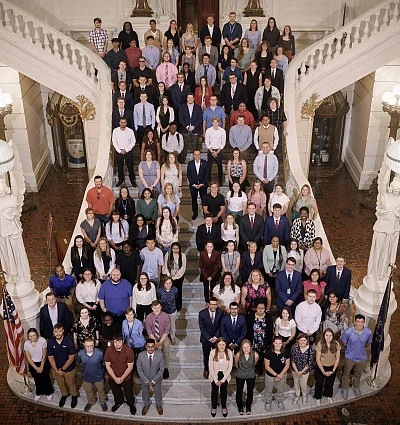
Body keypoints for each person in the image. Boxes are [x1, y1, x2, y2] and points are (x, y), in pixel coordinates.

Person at [341, 314, 373, 400]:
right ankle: (345, 388)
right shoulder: (347, 332)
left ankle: (356, 387)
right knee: (346, 373)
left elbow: (368, 343)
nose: (359, 324)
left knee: (358, 374)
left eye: (361, 322)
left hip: (362, 358)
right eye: (358, 321)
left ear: (364, 323)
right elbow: (344, 343)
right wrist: (351, 348)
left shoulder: (368, 332)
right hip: (349, 357)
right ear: (355, 322)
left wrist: (360, 348)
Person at [104, 333, 136, 415]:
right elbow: (107, 365)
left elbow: (130, 367)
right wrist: (115, 378)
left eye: (119, 342)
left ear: (123, 341)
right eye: (115, 342)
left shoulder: (128, 350)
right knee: (116, 392)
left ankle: (131, 405)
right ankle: (119, 402)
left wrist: (122, 378)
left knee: (128, 392)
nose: (117, 344)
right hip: (113, 377)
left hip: (126, 377)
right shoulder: (109, 350)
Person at [47, 323, 78, 408]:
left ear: (63, 331)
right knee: (61, 384)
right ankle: (64, 395)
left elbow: (71, 357)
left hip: (68, 369)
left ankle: (74, 396)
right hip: (56, 369)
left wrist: (63, 369)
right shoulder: (50, 342)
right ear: (53, 331)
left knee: (71, 383)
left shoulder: (69, 341)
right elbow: (50, 357)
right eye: (56, 331)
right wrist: (57, 370)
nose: (58, 333)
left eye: (60, 331)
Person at [77, 337, 107, 412]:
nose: (89, 348)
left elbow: (103, 362)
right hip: (86, 377)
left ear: (94, 345)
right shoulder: (80, 353)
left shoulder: (100, 353)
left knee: (101, 390)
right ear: (84, 345)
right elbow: (79, 363)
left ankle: (103, 402)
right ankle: (90, 402)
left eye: (91, 346)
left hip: (98, 376)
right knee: (88, 391)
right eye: (87, 346)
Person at [136, 338, 165, 416]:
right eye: (148, 347)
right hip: (144, 379)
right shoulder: (141, 355)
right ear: (146, 346)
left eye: (152, 347)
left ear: (155, 346)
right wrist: (146, 380)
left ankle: (159, 405)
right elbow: (139, 369)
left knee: (158, 393)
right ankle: (146, 405)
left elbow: (161, 369)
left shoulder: (160, 355)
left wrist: (153, 381)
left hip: (156, 379)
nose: (150, 349)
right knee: (145, 393)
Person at [24, 328, 53, 401]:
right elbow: (29, 358)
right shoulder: (26, 344)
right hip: (33, 363)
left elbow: (44, 355)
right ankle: (39, 392)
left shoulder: (42, 341)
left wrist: (41, 367)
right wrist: (36, 368)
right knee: (37, 379)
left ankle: (48, 392)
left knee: (45, 378)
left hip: (43, 362)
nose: (32, 338)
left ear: (37, 335)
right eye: (30, 336)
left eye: (34, 335)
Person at [145, 300, 171, 379]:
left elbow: (167, 331)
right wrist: (156, 343)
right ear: (152, 308)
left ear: (161, 307)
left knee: (166, 352)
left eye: (158, 308)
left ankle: (165, 368)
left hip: (163, 337)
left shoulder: (166, 316)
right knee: (155, 353)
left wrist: (160, 342)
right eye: (155, 308)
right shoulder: (148, 317)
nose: (157, 310)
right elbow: (149, 331)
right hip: (153, 338)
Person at [246, 300, 273, 374]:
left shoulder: (268, 317)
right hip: (254, 338)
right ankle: (254, 366)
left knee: (263, 354)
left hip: (264, 338)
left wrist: (269, 341)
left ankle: (261, 366)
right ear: (256, 308)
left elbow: (270, 330)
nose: (260, 310)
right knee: (254, 353)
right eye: (259, 308)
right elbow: (248, 329)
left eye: (262, 308)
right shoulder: (251, 316)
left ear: (265, 309)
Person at [264, 336, 290, 412]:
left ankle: (279, 401)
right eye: (276, 343)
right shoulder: (268, 352)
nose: (278, 345)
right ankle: (268, 402)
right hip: (270, 375)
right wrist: (276, 375)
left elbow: (287, 365)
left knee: (281, 389)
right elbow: (267, 366)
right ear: (273, 343)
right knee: (268, 390)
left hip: (282, 375)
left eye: (279, 343)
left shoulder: (286, 352)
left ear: (282, 344)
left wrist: (280, 375)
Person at [199, 297, 223, 379]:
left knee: (216, 355)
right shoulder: (202, 313)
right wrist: (209, 338)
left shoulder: (220, 312)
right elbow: (202, 328)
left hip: (217, 338)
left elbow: (221, 326)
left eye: (215, 304)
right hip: (206, 339)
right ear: (208, 304)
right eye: (212, 304)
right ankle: (206, 369)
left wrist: (216, 337)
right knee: (206, 356)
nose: (213, 306)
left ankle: (215, 370)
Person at [209, 337, 233, 418]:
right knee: (214, 392)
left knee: (224, 392)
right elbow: (211, 368)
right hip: (214, 375)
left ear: (226, 345)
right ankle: (213, 407)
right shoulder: (212, 352)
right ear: (217, 345)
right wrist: (216, 380)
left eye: (223, 345)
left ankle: (224, 407)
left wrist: (222, 380)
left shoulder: (229, 352)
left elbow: (230, 368)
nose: (222, 346)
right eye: (220, 345)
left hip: (225, 375)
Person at [235, 339, 259, 415]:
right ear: (241, 348)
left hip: (251, 375)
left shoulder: (255, 355)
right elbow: (236, 364)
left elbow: (254, 363)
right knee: (239, 391)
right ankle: (240, 406)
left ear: (250, 347)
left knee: (250, 391)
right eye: (244, 347)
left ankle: (248, 406)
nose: (246, 349)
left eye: (247, 347)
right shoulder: (238, 354)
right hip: (240, 374)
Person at [291, 333, 315, 406]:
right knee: (296, 383)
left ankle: (304, 395)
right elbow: (292, 360)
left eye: (304, 340)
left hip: (304, 370)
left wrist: (301, 372)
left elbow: (309, 363)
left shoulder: (310, 349)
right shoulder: (294, 347)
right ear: (298, 340)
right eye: (300, 340)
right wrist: (297, 371)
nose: (302, 342)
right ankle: (297, 395)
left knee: (303, 384)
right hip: (295, 369)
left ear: (307, 341)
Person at [162, 242, 186, 312]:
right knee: (170, 291)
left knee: (178, 291)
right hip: (169, 277)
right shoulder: (168, 254)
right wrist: (169, 275)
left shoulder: (183, 256)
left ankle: (178, 306)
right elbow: (165, 265)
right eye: (174, 248)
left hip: (179, 277)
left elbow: (183, 268)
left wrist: (175, 277)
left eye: (177, 248)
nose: (175, 250)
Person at [112, 117, 136, 187]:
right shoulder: (115, 131)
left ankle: (132, 180)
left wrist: (126, 150)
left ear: (126, 123)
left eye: (124, 122)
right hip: (119, 151)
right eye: (121, 122)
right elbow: (114, 142)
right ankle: (120, 179)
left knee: (130, 166)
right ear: (119, 123)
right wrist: (119, 150)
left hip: (128, 151)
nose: (123, 124)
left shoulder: (130, 131)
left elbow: (133, 142)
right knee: (120, 167)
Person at [179, 93, 203, 162]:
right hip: (185, 129)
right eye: (188, 98)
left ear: (193, 98)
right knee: (184, 146)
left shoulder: (198, 107)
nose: (190, 99)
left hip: (195, 129)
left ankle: (196, 159)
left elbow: (200, 118)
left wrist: (194, 126)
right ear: (186, 98)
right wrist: (187, 126)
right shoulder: (182, 107)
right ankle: (183, 158)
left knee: (195, 146)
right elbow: (181, 119)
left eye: (191, 98)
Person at [187, 149, 208, 220]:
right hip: (193, 186)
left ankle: (205, 213)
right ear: (193, 155)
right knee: (194, 199)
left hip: (203, 185)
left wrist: (202, 183)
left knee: (204, 200)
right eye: (195, 154)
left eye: (198, 154)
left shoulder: (205, 163)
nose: (197, 156)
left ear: (200, 155)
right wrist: (193, 184)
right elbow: (188, 175)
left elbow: (207, 175)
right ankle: (195, 213)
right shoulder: (190, 163)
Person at [205, 117, 226, 185]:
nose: (215, 123)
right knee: (209, 166)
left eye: (216, 122)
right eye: (214, 122)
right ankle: (208, 181)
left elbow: (223, 142)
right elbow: (207, 142)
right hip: (211, 150)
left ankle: (220, 181)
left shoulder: (222, 131)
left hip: (219, 150)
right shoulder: (208, 130)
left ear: (219, 123)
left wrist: (217, 152)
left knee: (219, 166)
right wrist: (212, 151)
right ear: (212, 122)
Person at [157, 277, 178, 344]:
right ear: (163, 284)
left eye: (169, 283)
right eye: (166, 283)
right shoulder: (160, 291)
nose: (168, 285)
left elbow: (176, 298)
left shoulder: (175, 290)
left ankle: (172, 337)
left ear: (172, 283)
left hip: (172, 310)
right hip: (163, 311)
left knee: (172, 325)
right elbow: (159, 299)